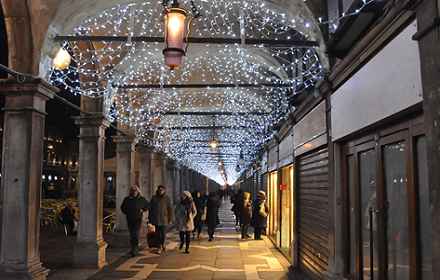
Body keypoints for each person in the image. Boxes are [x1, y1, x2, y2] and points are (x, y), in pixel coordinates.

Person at [120, 186, 149, 257]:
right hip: (129, 219)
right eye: (132, 190)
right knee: (132, 234)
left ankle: (134, 249)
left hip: (138, 219)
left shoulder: (141, 199)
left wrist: (143, 210)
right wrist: (127, 212)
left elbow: (147, 206)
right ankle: (133, 248)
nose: (134, 192)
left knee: (135, 234)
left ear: (138, 191)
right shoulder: (127, 199)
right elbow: (122, 207)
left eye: (135, 190)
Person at [148, 185, 173, 254]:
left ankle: (163, 244)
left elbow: (170, 209)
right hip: (156, 219)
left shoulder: (167, 198)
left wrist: (170, 219)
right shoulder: (154, 198)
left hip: (164, 219)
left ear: (164, 190)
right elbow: (150, 209)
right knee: (157, 234)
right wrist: (150, 219)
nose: (160, 191)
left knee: (163, 233)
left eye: (162, 190)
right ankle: (159, 247)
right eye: (159, 190)